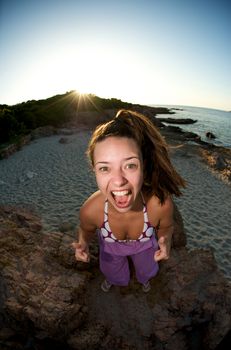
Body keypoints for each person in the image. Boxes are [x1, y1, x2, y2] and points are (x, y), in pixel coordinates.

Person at [72, 109, 185, 292]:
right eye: (105, 168)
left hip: (144, 249)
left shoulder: (158, 205)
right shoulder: (91, 211)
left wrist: (165, 241)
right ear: (94, 170)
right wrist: (83, 243)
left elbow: (166, 227)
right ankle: (114, 279)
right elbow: (85, 230)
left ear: (144, 166)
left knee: (147, 270)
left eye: (130, 165)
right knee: (113, 271)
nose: (118, 180)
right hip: (111, 250)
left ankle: (144, 279)